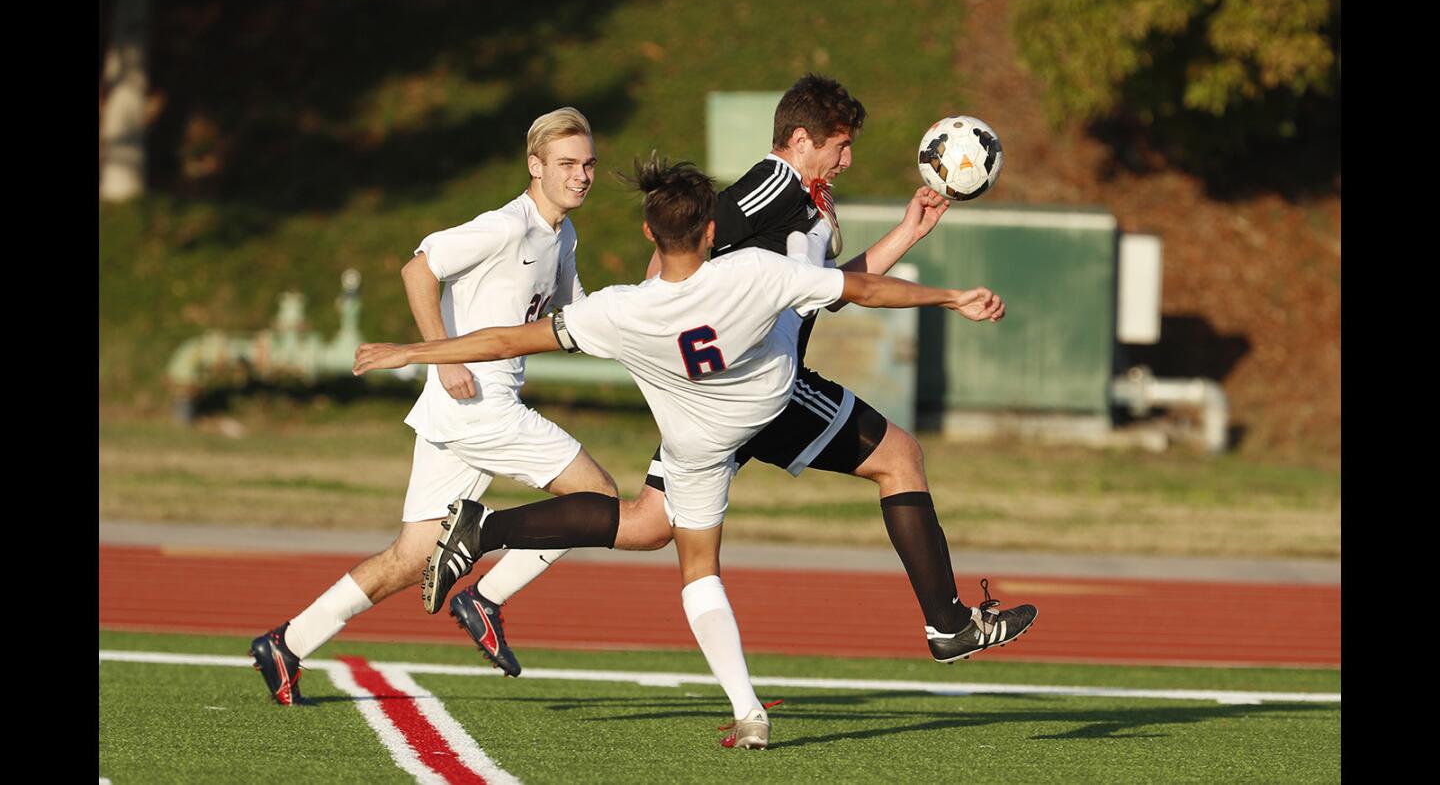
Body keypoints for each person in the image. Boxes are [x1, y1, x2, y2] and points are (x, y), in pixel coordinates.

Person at [352, 154, 1018, 750]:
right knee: (889, 460)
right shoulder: (754, 271)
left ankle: (745, 708)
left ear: (649, 235)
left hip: (694, 443)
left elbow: (503, 340)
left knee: (680, 555)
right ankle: (935, 627)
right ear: (709, 231)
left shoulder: (618, 310)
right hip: (765, 409)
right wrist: (951, 296)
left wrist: (413, 350)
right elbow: (863, 291)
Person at [461, 74, 1040, 673]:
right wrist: (664, 321)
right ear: (799, 138)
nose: (848, 159)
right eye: (839, 146)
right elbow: (679, 241)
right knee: (900, 457)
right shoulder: (774, 184)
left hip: (720, 390)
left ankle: (482, 542)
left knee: (647, 524)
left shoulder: (809, 198)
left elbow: (831, 292)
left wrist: (908, 232)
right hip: (764, 383)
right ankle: (948, 624)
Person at [248, 107, 624, 705]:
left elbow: (577, 315)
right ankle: (486, 597)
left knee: (409, 558)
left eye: (588, 165)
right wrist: (442, 358)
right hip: (478, 406)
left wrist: (657, 312)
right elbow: (417, 270)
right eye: (567, 164)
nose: (580, 176)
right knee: (599, 502)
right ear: (535, 166)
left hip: (463, 414)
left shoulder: (563, 236)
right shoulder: (503, 227)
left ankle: (287, 643)